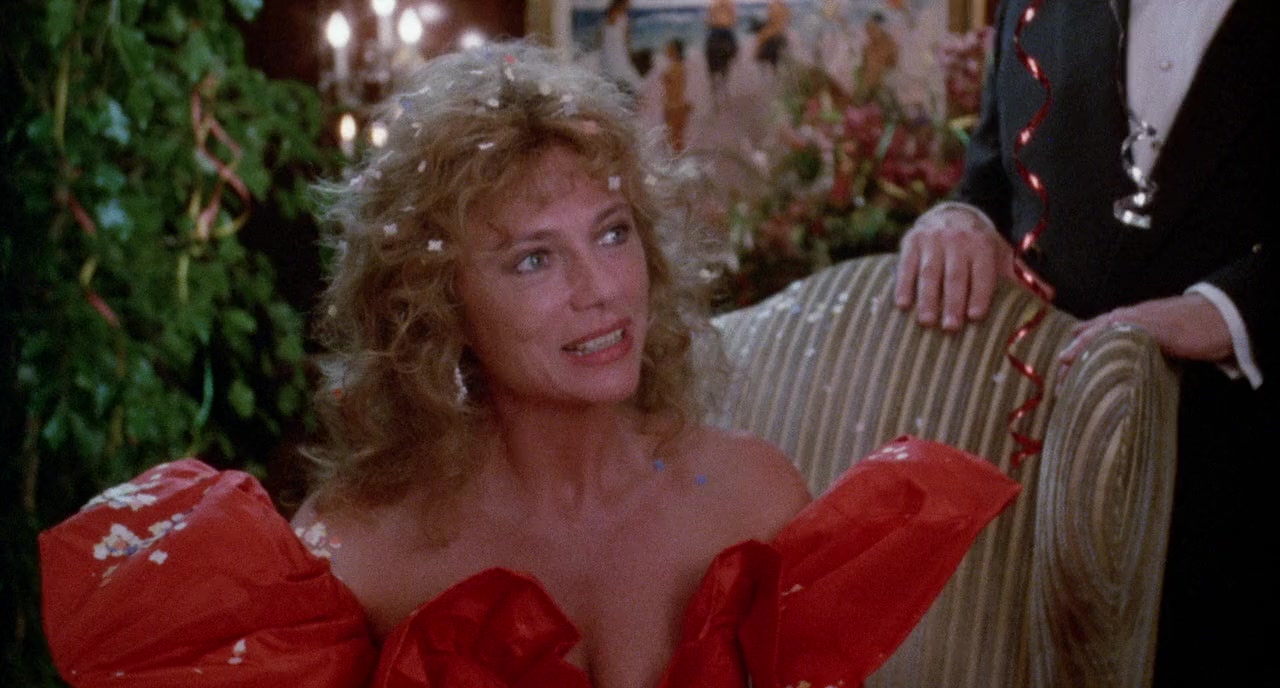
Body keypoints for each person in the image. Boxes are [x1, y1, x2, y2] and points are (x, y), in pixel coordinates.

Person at [39, 42, 1019, 688]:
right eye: (533, 260)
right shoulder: (360, 552)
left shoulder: (752, 497)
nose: (600, 290)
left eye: (612, 232)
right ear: (440, 308)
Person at [892, 1, 1275, 682]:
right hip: (1038, 525)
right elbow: (993, 184)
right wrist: (958, 219)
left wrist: (1229, 311)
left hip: (1243, 506)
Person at [598, 0, 643, 97]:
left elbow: (601, 37)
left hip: (610, 50)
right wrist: (630, 53)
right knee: (624, 72)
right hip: (617, 50)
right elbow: (627, 39)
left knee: (615, 73)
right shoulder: (623, 17)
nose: (630, 4)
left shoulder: (608, 15)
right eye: (628, 2)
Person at [855, 12, 898, 104]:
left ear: (880, 28)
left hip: (884, 88)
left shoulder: (890, 45)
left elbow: (893, 67)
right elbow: (864, 69)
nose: (869, 32)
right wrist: (862, 89)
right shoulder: (867, 48)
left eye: (872, 29)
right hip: (867, 89)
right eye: (867, 29)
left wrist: (881, 80)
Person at [704, 0, 738, 110]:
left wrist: (713, 23)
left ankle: (715, 93)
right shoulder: (728, 3)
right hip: (724, 30)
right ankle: (733, 56)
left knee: (709, 46)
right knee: (733, 47)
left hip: (718, 30)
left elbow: (707, 21)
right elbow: (734, 20)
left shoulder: (716, 4)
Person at [660, 39, 692, 153]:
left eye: (669, 48)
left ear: (674, 51)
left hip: (673, 106)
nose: (666, 50)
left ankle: (678, 160)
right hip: (679, 105)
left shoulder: (673, 68)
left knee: (673, 140)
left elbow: (672, 89)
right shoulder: (681, 66)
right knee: (678, 139)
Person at [753, 0, 790, 74]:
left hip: (775, 36)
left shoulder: (774, 5)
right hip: (781, 35)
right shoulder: (784, 7)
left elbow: (773, 23)